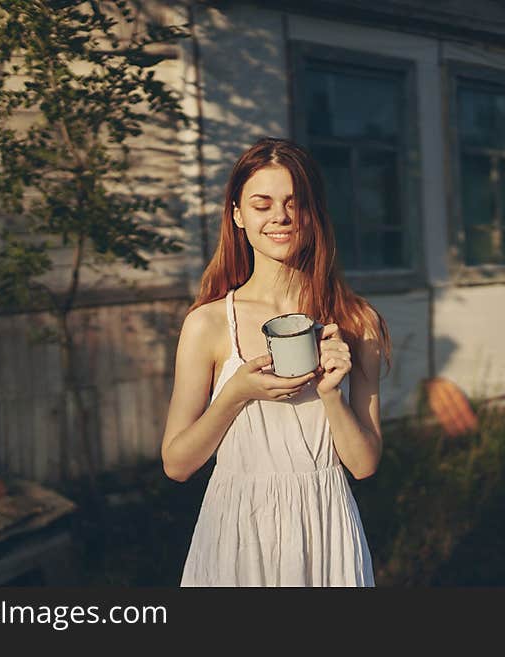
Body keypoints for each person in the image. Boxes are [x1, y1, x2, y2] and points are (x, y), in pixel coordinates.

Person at [161, 137, 392, 587]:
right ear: (238, 214)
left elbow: (364, 465)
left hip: (326, 531)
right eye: (262, 204)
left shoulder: (355, 320)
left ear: (313, 213)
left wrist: (331, 397)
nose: (280, 217)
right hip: (237, 532)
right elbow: (177, 464)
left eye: (294, 203)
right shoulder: (208, 324)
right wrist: (234, 395)